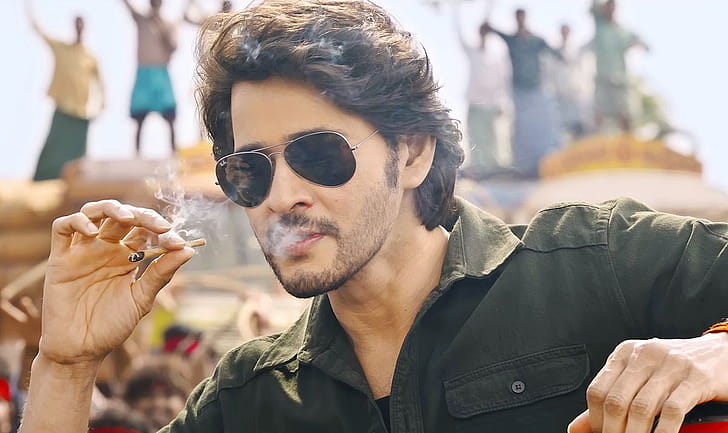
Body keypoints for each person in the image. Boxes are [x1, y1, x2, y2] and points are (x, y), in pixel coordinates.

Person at [18, 2, 728, 433]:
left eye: (318, 154)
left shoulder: (594, 263)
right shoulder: (249, 399)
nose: (282, 195)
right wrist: (66, 364)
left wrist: (716, 354)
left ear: (412, 152)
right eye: (250, 170)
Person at [27, 1, 104, 181]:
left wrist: (102, 103)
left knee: (78, 147)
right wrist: (29, 12)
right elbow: (42, 33)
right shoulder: (62, 48)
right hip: (63, 105)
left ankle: (74, 178)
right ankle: (44, 176)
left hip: (81, 109)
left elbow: (100, 83)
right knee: (54, 143)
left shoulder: (89, 56)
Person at [484, 9, 564, 178]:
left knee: (540, 124)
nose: (520, 20)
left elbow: (554, 52)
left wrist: (562, 54)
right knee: (521, 126)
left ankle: (543, 161)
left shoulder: (536, 40)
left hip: (535, 88)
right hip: (519, 90)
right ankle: (522, 164)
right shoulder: (512, 40)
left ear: (525, 18)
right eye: (517, 17)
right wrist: (487, 26)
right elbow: (493, 30)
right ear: (516, 19)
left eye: (522, 17)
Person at [453, 7, 509, 180]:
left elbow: (502, 84)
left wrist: (501, 103)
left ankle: (495, 171)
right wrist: (455, 10)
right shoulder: (472, 51)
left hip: (491, 105)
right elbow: (459, 36)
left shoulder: (496, 58)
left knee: (493, 138)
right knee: (476, 137)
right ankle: (480, 170)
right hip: (475, 103)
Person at [121, 0, 178, 155]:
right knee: (140, 117)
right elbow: (127, 6)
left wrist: (161, 29)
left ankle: (174, 152)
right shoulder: (141, 20)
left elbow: (173, 47)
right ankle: (137, 154)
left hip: (161, 72)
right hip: (144, 72)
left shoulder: (167, 24)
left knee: (170, 115)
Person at [590, 0, 648, 133]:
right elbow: (593, 5)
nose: (609, 10)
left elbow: (642, 42)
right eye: (607, 7)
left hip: (620, 78)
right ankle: (595, 141)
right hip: (602, 78)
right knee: (598, 114)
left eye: (612, 7)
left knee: (626, 115)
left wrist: (639, 45)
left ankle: (629, 141)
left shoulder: (623, 31)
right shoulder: (600, 24)